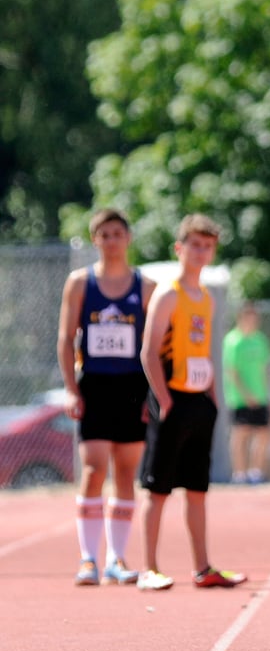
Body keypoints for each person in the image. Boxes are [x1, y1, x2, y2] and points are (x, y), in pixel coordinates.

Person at [137, 214, 247, 591]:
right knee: (158, 488)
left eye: (207, 246)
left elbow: (203, 352)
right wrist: (164, 399)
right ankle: (149, 567)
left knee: (198, 489)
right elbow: (149, 352)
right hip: (171, 402)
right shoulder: (170, 295)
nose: (201, 252)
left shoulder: (206, 299)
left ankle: (203, 567)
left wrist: (213, 397)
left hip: (200, 403)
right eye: (194, 245)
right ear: (179, 249)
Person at [57, 208, 156, 586]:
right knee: (95, 469)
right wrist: (70, 388)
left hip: (133, 387)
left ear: (127, 238)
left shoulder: (145, 287)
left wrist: (155, 393)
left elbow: (155, 343)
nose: (111, 240)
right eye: (104, 234)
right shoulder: (80, 284)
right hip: (95, 384)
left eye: (117, 233)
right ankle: (87, 559)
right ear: (95, 240)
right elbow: (66, 339)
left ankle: (116, 558)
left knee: (127, 471)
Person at [222, 302, 270, 485]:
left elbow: (265, 369)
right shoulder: (233, 341)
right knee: (240, 434)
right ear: (241, 318)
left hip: (260, 396)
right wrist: (246, 395)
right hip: (239, 398)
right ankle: (239, 474)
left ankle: (256, 472)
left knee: (263, 433)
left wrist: (267, 394)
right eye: (249, 316)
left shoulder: (260, 339)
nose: (253, 320)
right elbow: (232, 372)